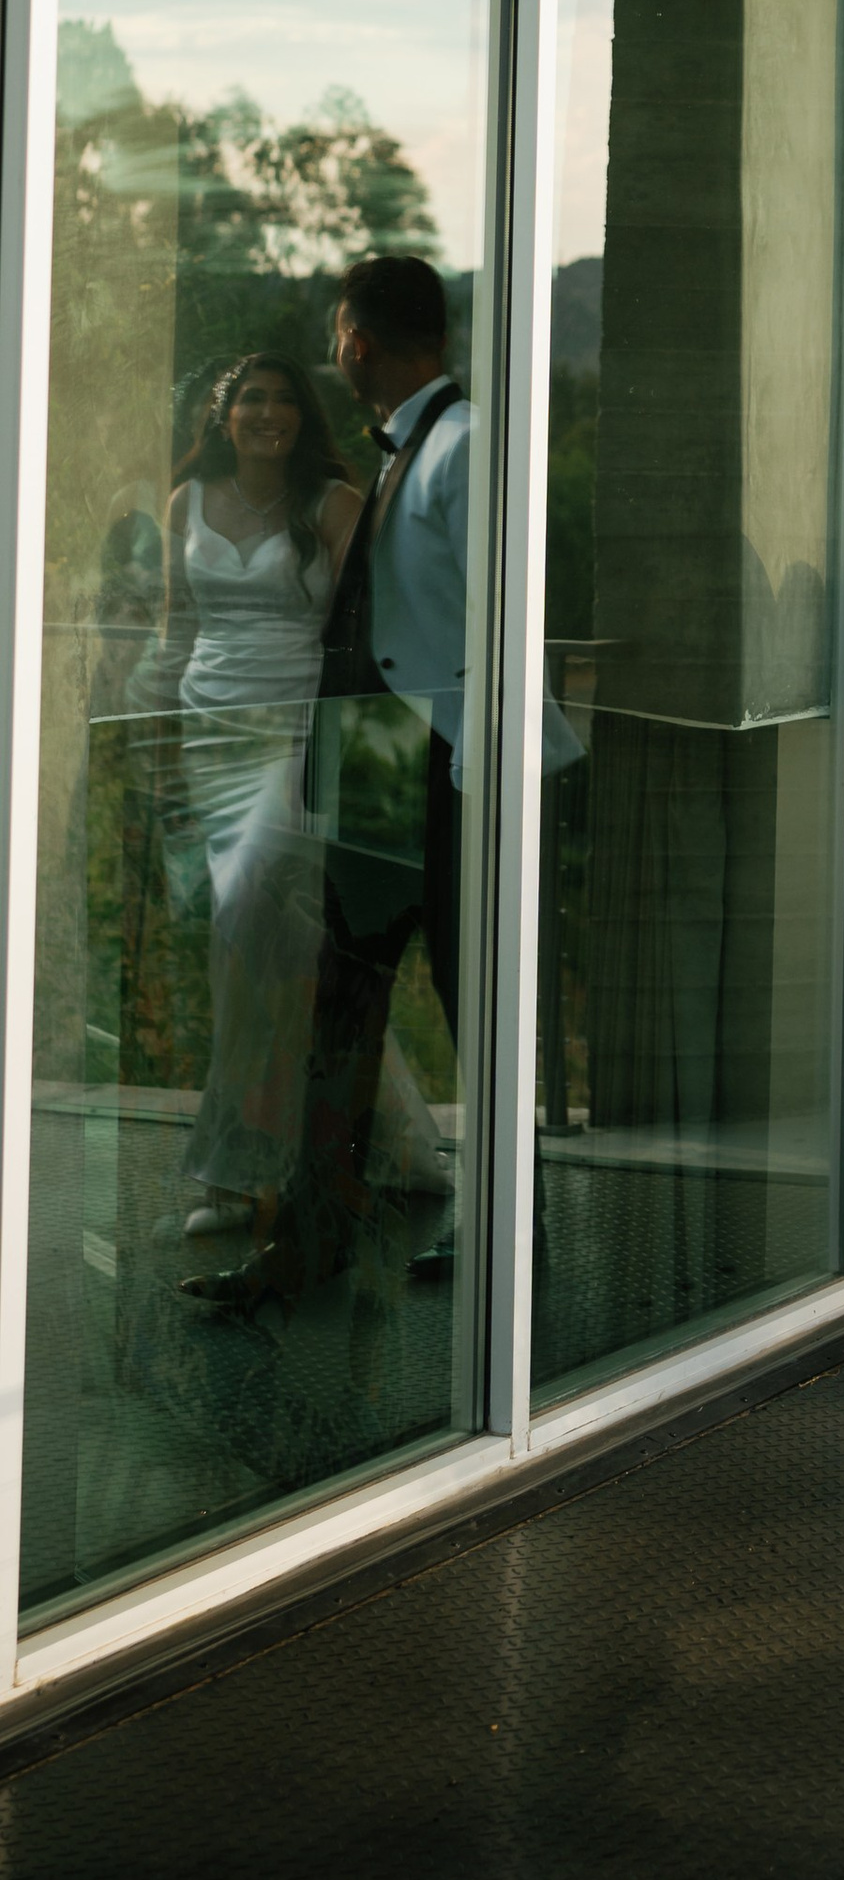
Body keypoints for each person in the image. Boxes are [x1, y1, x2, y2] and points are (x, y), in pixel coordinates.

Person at [185, 254, 475, 1316]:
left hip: (440, 776)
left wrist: (474, 772)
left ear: (355, 341)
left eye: (337, 336)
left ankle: (508, 1231)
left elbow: (496, 621)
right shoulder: (403, 450)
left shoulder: (461, 447)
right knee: (340, 1004)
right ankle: (311, 1235)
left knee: (467, 996)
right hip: (377, 778)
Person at [146, 354, 444, 1240]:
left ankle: (240, 1172)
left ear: (301, 417)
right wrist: (153, 739)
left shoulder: (332, 505)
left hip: (295, 738)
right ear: (223, 415)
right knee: (271, 951)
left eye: (281, 399)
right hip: (208, 736)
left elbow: (373, 629)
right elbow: (173, 631)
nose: (267, 412)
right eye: (250, 399)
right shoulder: (186, 502)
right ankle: (374, 1148)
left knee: (246, 924)